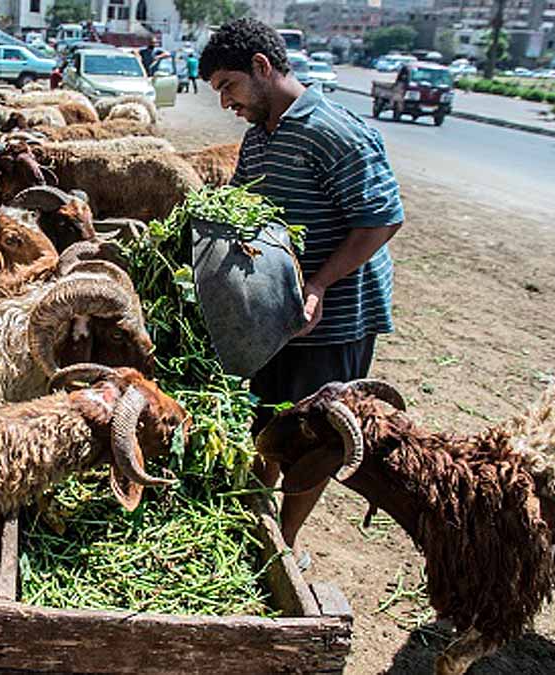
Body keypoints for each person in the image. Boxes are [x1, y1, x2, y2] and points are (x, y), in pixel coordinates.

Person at [199, 19, 404, 556]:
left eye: (228, 87)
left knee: (313, 436)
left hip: (333, 317)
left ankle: (283, 541)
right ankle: (255, 517)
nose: (226, 103)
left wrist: (317, 283)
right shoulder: (259, 138)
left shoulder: (336, 131)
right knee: (266, 420)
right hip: (276, 315)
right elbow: (246, 214)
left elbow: (381, 221)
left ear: (262, 69)